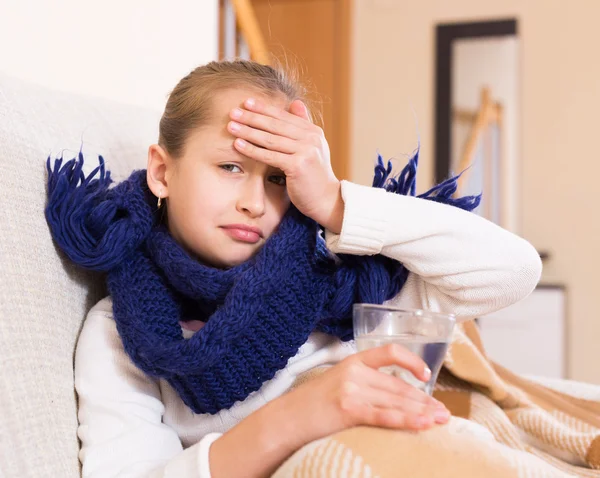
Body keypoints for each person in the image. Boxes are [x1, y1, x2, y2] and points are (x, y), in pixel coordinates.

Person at [45, 60, 542, 478]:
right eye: (230, 167)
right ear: (162, 172)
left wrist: (333, 203)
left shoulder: (342, 281)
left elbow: (513, 271)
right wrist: (302, 414)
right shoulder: (123, 330)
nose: (254, 204)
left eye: (279, 178)